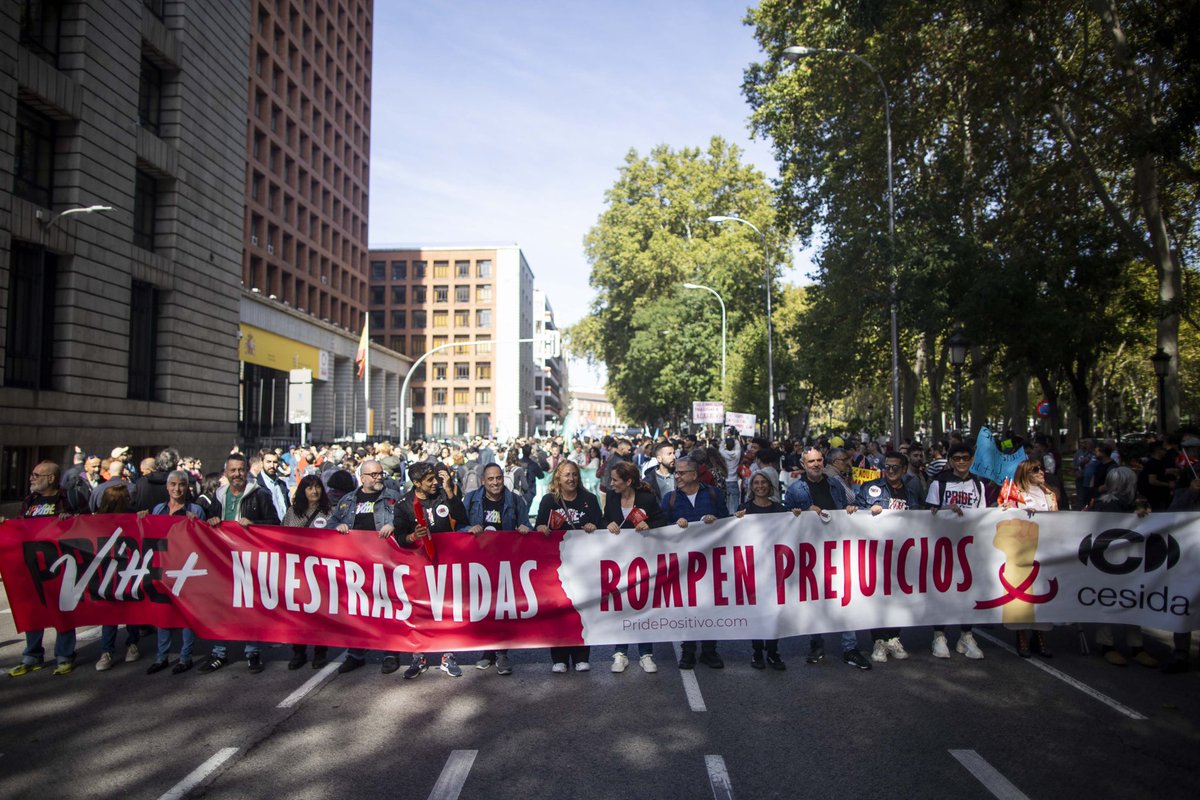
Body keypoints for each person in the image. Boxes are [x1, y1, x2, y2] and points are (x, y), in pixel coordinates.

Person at [783, 447, 870, 670]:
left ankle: (850, 647)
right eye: (811, 461)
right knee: (814, 599)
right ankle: (816, 643)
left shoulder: (835, 484)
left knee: (844, 597)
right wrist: (801, 512)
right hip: (811, 551)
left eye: (819, 460)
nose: (816, 464)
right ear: (803, 465)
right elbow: (785, 520)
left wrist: (851, 509)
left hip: (837, 547)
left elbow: (849, 506)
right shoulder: (795, 490)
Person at [199, 453, 280, 675]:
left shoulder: (260, 495)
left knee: (249, 607)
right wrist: (212, 521)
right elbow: (205, 524)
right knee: (220, 608)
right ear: (226, 473)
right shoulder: (218, 496)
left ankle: (253, 652)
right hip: (221, 560)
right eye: (233, 470)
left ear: (247, 471)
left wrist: (254, 525)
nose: (237, 474)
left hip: (248, 561)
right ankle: (218, 653)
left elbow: (275, 524)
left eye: (241, 470)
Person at [394, 462, 468, 679]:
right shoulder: (404, 504)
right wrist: (412, 537)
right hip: (418, 567)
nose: (435, 482)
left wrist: (450, 491)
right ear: (417, 483)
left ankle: (448, 655)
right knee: (419, 612)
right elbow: (399, 538)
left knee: (446, 610)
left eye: (435, 478)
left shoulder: (443, 494)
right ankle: (419, 656)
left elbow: (462, 518)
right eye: (429, 480)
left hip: (445, 564)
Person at [326, 460, 401, 674]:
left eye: (380, 474)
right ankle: (355, 654)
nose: (379, 478)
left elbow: (407, 520)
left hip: (385, 562)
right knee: (357, 610)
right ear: (363, 478)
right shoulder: (348, 500)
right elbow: (332, 523)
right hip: (356, 563)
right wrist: (338, 527)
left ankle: (390, 653)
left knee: (387, 608)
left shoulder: (392, 498)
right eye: (374, 474)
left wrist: (394, 524)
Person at [6, 462, 79, 677]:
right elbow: (21, 526)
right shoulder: (30, 500)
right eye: (31, 474)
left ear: (51, 479)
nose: (31, 478)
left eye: (36, 475)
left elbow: (88, 525)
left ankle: (64, 656)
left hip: (61, 565)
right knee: (33, 610)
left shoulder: (68, 498)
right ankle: (32, 656)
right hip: (32, 565)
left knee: (62, 610)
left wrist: (71, 520)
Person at [461, 462, 531, 676]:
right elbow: (458, 526)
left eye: (498, 478)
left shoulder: (515, 500)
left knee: (502, 608)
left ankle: (501, 652)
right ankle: (486, 652)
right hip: (479, 562)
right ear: (483, 480)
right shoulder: (471, 499)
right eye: (490, 479)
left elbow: (525, 523)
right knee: (483, 607)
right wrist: (467, 529)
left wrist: (524, 528)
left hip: (505, 562)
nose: (495, 482)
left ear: (503, 479)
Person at [662, 457, 730, 670]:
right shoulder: (670, 498)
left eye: (681, 473)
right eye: (676, 472)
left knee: (709, 605)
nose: (677, 476)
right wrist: (675, 525)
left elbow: (726, 521)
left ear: (693, 474)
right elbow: (661, 527)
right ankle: (688, 650)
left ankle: (710, 651)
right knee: (687, 606)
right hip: (683, 563)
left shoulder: (713, 494)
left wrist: (715, 520)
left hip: (710, 560)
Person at [536, 460, 603, 673]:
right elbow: (538, 524)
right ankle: (559, 658)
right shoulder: (549, 501)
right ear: (558, 478)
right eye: (566, 475)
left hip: (584, 565)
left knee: (583, 609)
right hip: (556, 565)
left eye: (574, 474)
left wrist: (595, 527)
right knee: (558, 611)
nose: (571, 479)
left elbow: (602, 527)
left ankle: (582, 655)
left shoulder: (590, 500)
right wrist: (541, 528)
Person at [1089, 466, 1159, 668]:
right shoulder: (1104, 505)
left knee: (1132, 600)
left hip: (1131, 559)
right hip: (1107, 560)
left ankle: (1136, 646)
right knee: (1107, 598)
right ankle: (1107, 645)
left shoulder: (1136, 504)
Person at [602, 461, 668, 674]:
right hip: (618, 561)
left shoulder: (647, 499)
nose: (611, 484)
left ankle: (645, 653)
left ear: (628, 481)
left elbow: (662, 521)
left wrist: (649, 525)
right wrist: (607, 525)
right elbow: (604, 521)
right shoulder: (612, 498)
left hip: (643, 560)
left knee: (643, 606)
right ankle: (620, 652)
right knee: (621, 607)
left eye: (615, 480)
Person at [856, 452, 921, 663]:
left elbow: (921, 519)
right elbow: (853, 513)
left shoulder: (910, 493)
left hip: (902, 552)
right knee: (876, 596)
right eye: (887, 467)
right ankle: (878, 640)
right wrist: (867, 511)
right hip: (875, 552)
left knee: (899, 596)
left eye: (895, 467)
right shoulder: (870, 488)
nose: (890, 471)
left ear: (903, 470)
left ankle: (894, 636)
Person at [926, 442, 988, 659]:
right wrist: (945, 509)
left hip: (969, 546)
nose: (961, 462)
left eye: (965, 457)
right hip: (942, 546)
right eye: (957, 458)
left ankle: (966, 635)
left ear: (971, 460)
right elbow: (928, 514)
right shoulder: (939, 483)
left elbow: (983, 516)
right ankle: (939, 635)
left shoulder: (979, 485)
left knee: (967, 591)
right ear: (950, 461)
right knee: (941, 590)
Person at [142, 471, 205, 674]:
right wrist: (143, 519)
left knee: (186, 615)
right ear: (167, 487)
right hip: (164, 568)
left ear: (187, 487)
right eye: (173, 485)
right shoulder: (158, 509)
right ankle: (162, 657)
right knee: (164, 614)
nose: (177, 489)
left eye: (182, 485)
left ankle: (185, 658)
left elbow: (203, 539)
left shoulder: (195, 509)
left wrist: (196, 522)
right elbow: (149, 535)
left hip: (187, 569)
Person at [999, 459, 1057, 658]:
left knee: (1043, 591)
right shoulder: (1015, 494)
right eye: (1035, 469)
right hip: (1022, 550)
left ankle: (1039, 634)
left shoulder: (1050, 494)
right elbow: (1002, 516)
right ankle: (1021, 634)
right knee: (1021, 594)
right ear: (1025, 472)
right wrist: (1014, 509)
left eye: (1041, 468)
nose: (1041, 472)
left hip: (1046, 549)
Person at [282, 474, 336, 670]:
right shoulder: (292, 513)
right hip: (296, 571)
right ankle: (299, 652)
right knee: (298, 615)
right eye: (309, 488)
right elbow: (281, 536)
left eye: (317, 487)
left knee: (319, 614)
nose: (314, 491)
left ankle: (320, 652)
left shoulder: (330, 512)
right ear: (302, 491)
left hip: (321, 571)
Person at [736, 472, 787, 670]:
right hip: (753, 568)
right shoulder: (745, 509)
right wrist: (737, 520)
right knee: (756, 612)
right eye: (756, 483)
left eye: (763, 482)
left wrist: (798, 517)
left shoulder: (780, 509)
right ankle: (757, 652)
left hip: (775, 568)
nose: (760, 486)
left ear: (770, 485)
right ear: (751, 487)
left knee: (774, 612)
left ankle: (773, 652)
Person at [92, 484, 143, 671]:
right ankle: (128, 645)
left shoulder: (133, 517)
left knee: (117, 610)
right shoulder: (97, 520)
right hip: (113, 569)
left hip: (124, 568)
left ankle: (109, 651)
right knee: (118, 609)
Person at [257, 448, 291, 522]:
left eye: (275, 462)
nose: (272, 465)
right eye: (268, 462)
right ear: (262, 462)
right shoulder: (256, 486)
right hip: (267, 530)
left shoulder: (282, 484)